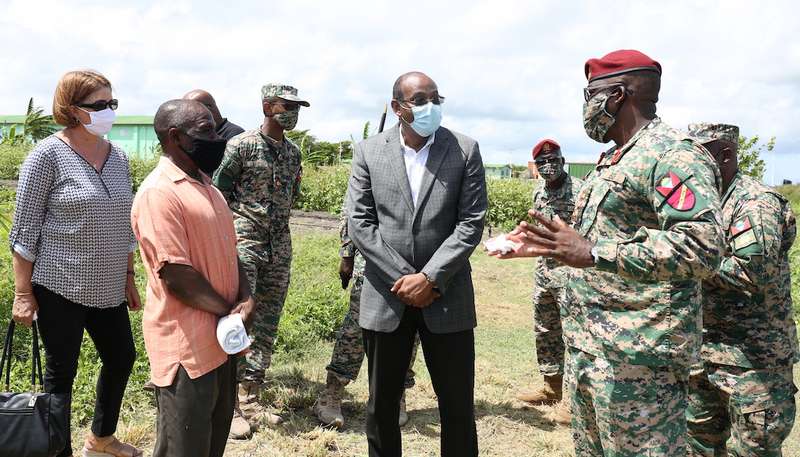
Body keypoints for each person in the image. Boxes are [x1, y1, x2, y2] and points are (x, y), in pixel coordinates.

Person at [489, 50, 724, 456]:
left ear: (617, 95)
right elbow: (594, 241)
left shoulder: (671, 155)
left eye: (590, 94)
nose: (586, 106)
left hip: (640, 358)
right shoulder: (613, 160)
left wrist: (595, 251)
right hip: (591, 348)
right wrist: (542, 247)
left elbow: (703, 245)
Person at [348, 71, 487, 457]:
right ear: (397, 108)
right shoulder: (369, 152)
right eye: (420, 100)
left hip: (447, 294)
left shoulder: (464, 149)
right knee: (381, 406)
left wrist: (430, 278)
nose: (431, 107)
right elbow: (361, 223)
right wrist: (404, 279)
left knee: (457, 405)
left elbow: (471, 221)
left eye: (436, 99)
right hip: (386, 298)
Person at [9, 69, 141, 457]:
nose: (108, 112)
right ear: (71, 109)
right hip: (59, 285)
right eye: (99, 105)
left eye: (112, 104)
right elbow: (24, 231)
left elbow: (125, 221)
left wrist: (129, 275)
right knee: (61, 374)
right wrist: (22, 293)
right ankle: (57, 450)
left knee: (122, 357)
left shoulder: (117, 156)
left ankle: (101, 439)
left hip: (109, 285)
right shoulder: (46, 156)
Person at [131, 99, 255, 457]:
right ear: (175, 137)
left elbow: (230, 251)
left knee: (211, 443)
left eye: (216, 128)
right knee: (182, 448)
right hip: (187, 347)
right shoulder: (159, 193)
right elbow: (177, 275)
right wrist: (229, 311)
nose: (216, 138)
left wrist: (245, 297)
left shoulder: (209, 187)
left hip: (221, 342)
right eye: (205, 131)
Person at [685, 123, 798, 456]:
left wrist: (686, 258)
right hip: (703, 353)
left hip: (753, 362)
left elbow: (751, 273)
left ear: (726, 155)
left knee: (754, 450)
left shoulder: (755, 203)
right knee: (697, 445)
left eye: (699, 156)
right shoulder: (702, 203)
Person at [212, 83, 308, 438]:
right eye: (287, 106)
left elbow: (292, 197)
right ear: (268, 106)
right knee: (241, 318)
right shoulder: (241, 145)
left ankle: (251, 396)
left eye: (298, 107)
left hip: (279, 245)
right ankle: (229, 406)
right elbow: (219, 194)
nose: (293, 113)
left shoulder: (294, 153)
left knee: (267, 321)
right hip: (245, 242)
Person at [314, 201, 420, 428]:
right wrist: (347, 253)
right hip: (371, 261)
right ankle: (331, 394)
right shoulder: (373, 163)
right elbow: (352, 207)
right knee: (355, 330)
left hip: (412, 262)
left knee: (408, 331)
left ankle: (396, 395)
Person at [516, 139, 581, 427]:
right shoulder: (538, 193)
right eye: (542, 162)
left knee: (574, 336)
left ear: (563, 160)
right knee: (546, 330)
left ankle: (573, 402)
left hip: (574, 274)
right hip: (545, 272)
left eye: (553, 159)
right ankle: (552, 386)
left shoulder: (580, 191)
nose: (548, 165)